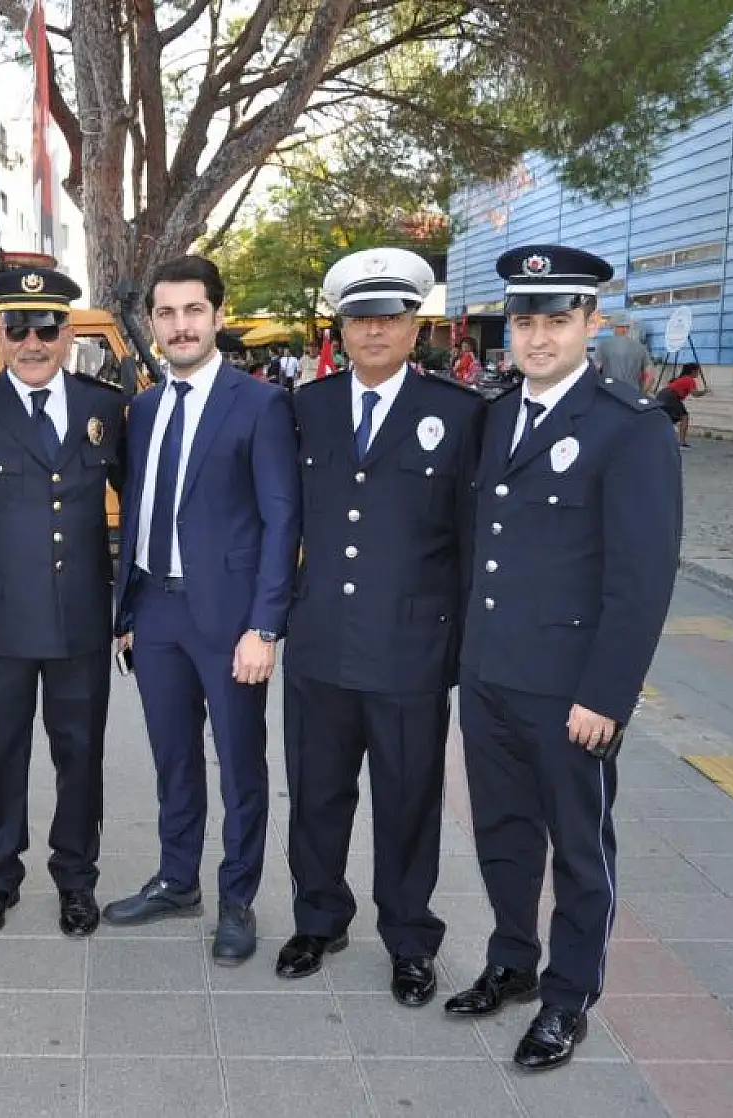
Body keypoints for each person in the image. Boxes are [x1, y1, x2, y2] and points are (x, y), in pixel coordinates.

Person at [447, 244, 681, 1072]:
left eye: (556, 320)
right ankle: (512, 961)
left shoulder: (631, 427)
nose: (537, 338)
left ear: (591, 322)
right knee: (504, 835)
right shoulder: (496, 415)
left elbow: (641, 579)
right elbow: (482, 549)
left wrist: (607, 695)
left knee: (579, 848)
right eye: (524, 321)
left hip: (571, 693)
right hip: (492, 677)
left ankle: (567, 997)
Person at [278, 248, 484, 1004]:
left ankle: (408, 937)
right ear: (341, 326)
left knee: (407, 800)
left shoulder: (460, 415)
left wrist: (457, 650)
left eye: (390, 317)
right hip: (322, 643)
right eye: (360, 317)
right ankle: (320, 916)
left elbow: (470, 542)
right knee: (317, 794)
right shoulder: (308, 406)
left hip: (410, 650)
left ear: (414, 326)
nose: (374, 330)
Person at [104, 255, 300, 966]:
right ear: (152, 323)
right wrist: (126, 611)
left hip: (230, 624)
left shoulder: (260, 404)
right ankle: (176, 878)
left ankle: (238, 899)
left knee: (240, 766)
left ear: (218, 315)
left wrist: (265, 626)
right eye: (166, 313)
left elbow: (283, 522)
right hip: (155, 613)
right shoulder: (147, 407)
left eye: (194, 311)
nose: (180, 325)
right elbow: (140, 508)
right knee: (173, 758)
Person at [0, 266, 128, 939]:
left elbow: (137, 515)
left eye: (47, 326)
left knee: (80, 758)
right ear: (1, 333)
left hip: (79, 622)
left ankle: (76, 879)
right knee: (1, 757)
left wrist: (128, 610)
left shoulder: (104, 410)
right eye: (19, 327)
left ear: (69, 332)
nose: (33, 340)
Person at [655, 362, 709, 449]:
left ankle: (660, 440)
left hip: (662, 395)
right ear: (693, 371)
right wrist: (705, 391)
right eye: (697, 371)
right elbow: (695, 394)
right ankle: (682, 442)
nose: (698, 374)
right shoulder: (689, 379)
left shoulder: (681, 378)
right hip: (671, 396)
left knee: (667, 419)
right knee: (684, 416)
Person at [593, 315, 651, 393]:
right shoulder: (640, 347)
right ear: (628, 328)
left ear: (614, 327)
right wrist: (642, 393)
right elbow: (650, 375)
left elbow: (594, 371)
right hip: (633, 394)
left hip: (610, 392)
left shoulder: (603, 345)